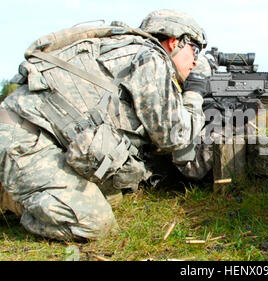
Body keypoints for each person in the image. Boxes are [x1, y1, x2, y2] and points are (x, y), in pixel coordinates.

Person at [0, 9, 209, 241]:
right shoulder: (151, 59)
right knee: (94, 223)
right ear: (174, 42)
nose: (195, 61)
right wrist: (195, 91)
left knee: (110, 195)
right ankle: (11, 198)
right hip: (23, 139)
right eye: (195, 50)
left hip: (34, 134)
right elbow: (174, 137)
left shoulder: (127, 50)